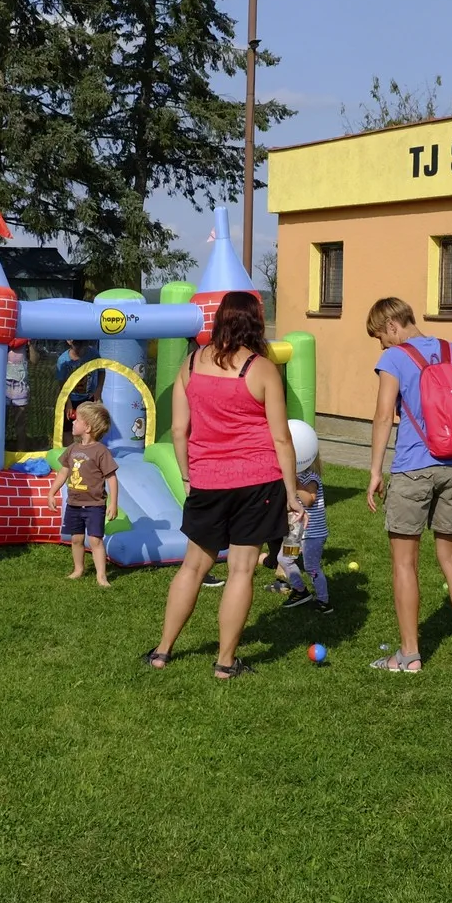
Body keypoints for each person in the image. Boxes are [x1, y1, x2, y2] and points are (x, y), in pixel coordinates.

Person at [143, 291, 300, 678]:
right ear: (255, 322)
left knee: (192, 567)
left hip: (207, 481)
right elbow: (282, 438)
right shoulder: (262, 369)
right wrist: (292, 493)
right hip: (259, 482)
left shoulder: (191, 363)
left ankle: (162, 651)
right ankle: (225, 663)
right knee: (241, 571)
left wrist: (187, 476)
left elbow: (178, 429)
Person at [363, 297, 452, 673]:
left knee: (405, 563)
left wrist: (375, 471)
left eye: (380, 336)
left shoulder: (395, 358)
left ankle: (409, 655)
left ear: (392, 325)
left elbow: (384, 416)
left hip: (413, 467)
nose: (382, 344)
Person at [51, 401, 119, 587]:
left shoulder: (101, 452)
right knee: (76, 539)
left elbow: (111, 478)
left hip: (94, 505)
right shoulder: (72, 449)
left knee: (95, 540)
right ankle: (78, 569)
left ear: (87, 427)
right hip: (74, 503)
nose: (73, 422)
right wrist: (52, 492)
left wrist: (113, 503)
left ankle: (101, 576)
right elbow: (63, 472)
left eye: (77, 420)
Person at [281, 452, 332, 615]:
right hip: (296, 532)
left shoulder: (311, 477)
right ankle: (300, 591)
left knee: (311, 567)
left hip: (312, 534)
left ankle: (323, 601)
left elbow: (309, 500)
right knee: (284, 559)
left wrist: (295, 481)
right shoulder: (291, 478)